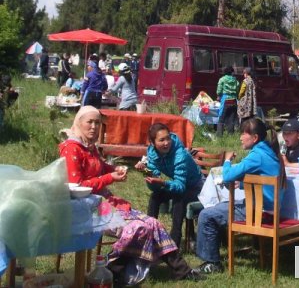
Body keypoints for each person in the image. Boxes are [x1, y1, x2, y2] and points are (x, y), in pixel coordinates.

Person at [59, 106, 203, 285]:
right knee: (138, 228)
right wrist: (109, 177)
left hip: (103, 202)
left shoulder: (90, 147)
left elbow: (102, 168)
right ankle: (111, 270)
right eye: (90, 122)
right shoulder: (72, 149)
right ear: (79, 123)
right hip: (84, 208)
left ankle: (181, 270)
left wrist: (114, 170)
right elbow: (76, 186)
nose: (94, 127)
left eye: (97, 122)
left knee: (153, 223)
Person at [194, 118, 285, 274]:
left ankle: (212, 263)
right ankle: (215, 252)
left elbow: (228, 175)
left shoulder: (257, 155)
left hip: (260, 213)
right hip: (268, 209)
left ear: (255, 138)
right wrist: (243, 185)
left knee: (207, 214)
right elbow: (264, 181)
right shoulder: (268, 152)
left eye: (243, 133)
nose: (240, 137)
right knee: (217, 209)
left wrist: (228, 160)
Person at [135, 123, 203, 248]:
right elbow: (154, 183)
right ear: (153, 142)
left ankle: (174, 241)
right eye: (162, 140)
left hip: (197, 187)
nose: (166, 142)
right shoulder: (152, 154)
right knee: (156, 196)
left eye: (168, 138)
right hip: (179, 184)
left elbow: (181, 186)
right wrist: (146, 172)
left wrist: (164, 183)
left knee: (179, 197)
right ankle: (149, 235)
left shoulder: (179, 153)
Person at [216, 66, 239, 136]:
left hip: (225, 99)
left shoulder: (222, 79)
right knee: (231, 118)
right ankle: (230, 135)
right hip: (234, 100)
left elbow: (219, 90)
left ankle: (219, 136)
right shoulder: (235, 80)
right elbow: (237, 88)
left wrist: (219, 95)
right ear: (231, 72)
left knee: (221, 118)